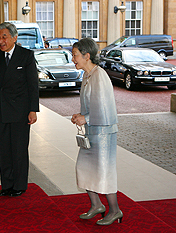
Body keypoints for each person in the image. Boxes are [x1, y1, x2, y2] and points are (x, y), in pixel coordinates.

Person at [0, 22, 39, 197]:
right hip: (2, 110)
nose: (0, 40)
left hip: (21, 111)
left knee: (19, 149)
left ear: (15, 38)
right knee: (4, 149)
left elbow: (33, 85)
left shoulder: (26, 56)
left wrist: (33, 109)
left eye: (4, 36)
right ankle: (6, 184)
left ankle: (20, 185)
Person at [71, 38, 123, 226]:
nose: (73, 59)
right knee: (84, 168)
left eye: (75, 55)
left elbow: (105, 107)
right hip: (92, 130)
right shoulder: (87, 75)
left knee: (104, 171)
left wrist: (87, 118)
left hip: (103, 133)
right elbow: (91, 104)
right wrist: (81, 115)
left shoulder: (99, 75)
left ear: (87, 55)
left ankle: (115, 210)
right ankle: (96, 205)